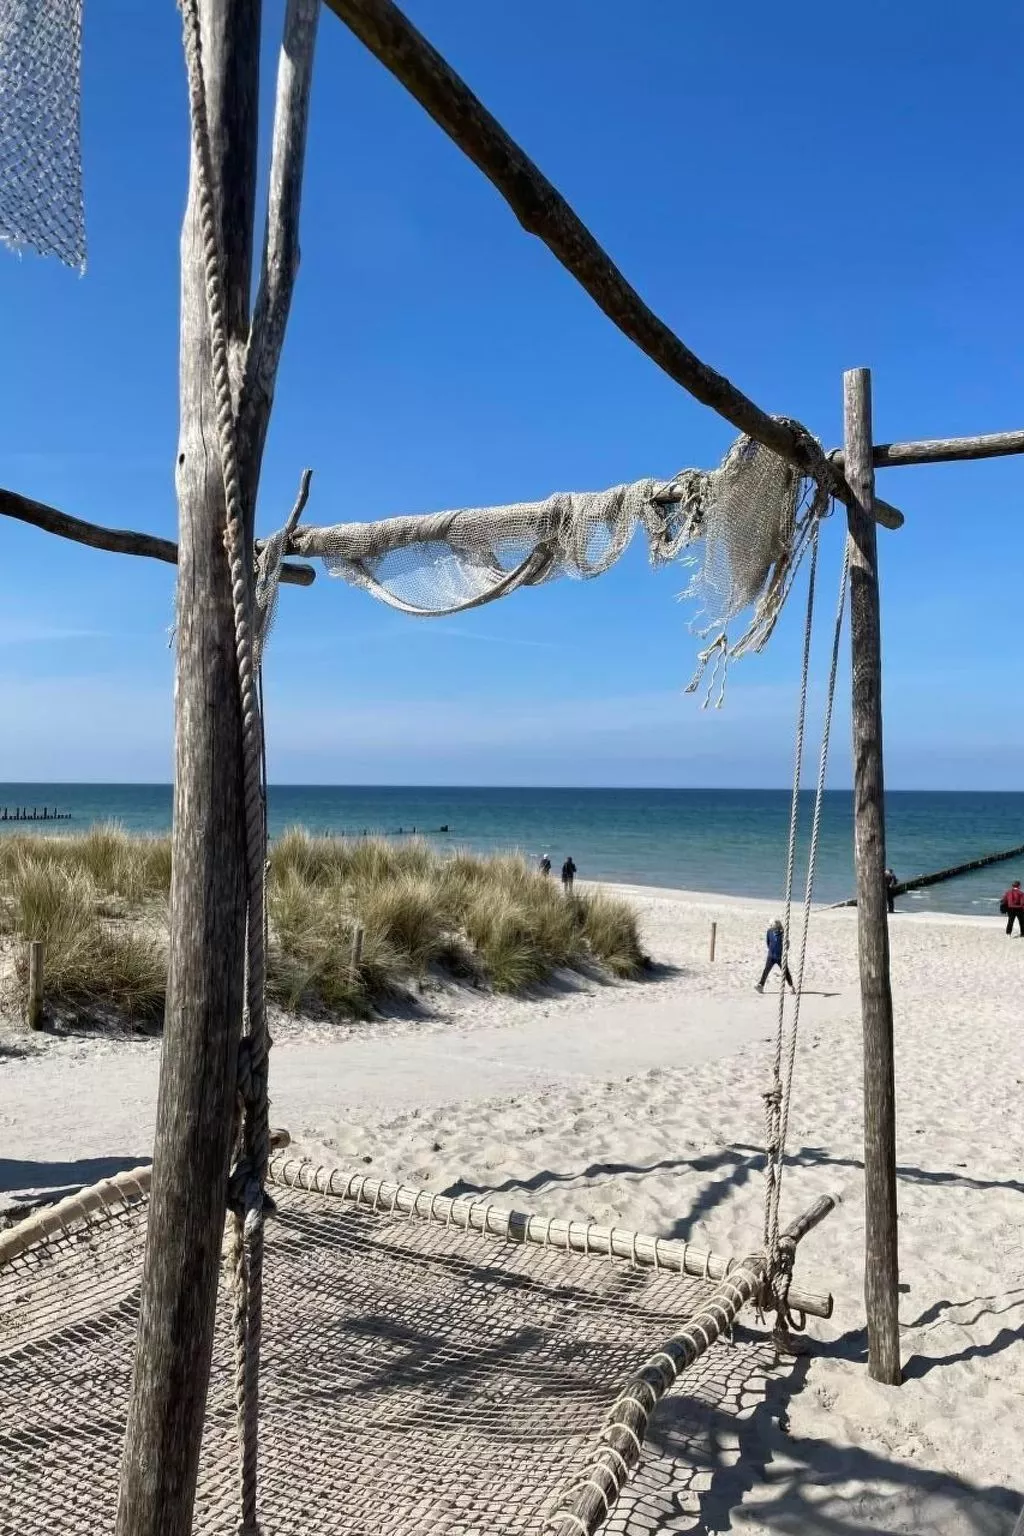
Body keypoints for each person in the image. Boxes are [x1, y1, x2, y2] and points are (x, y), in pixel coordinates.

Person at [755, 919, 796, 994]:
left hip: (781, 957)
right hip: (771, 956)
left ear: (776, 926)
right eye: (770, 925)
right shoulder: (769, 932)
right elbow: (768, 942)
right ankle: (761, 985)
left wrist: (782, 952)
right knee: (766, 970)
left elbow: (787, 945)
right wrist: (771, 950)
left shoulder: (783, 933)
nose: (770, 926)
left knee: (785, 972)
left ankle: (791, 987)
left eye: (772, 925)